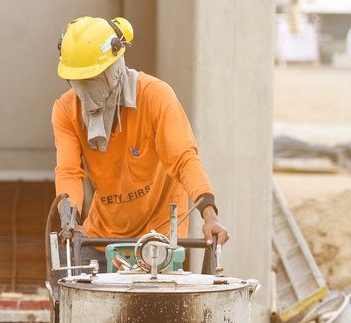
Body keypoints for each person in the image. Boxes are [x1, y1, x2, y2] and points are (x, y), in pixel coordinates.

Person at [52, 16, 230, 268]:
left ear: (115, 68)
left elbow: (184, 159)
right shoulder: (66, 110)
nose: (83, 91)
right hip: (101, 236)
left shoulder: (155, 97)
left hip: (158, 239)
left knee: (160, 308)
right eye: (76, 82)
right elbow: (69, 172)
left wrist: (209, 216)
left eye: (90, 80)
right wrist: (70, 225)